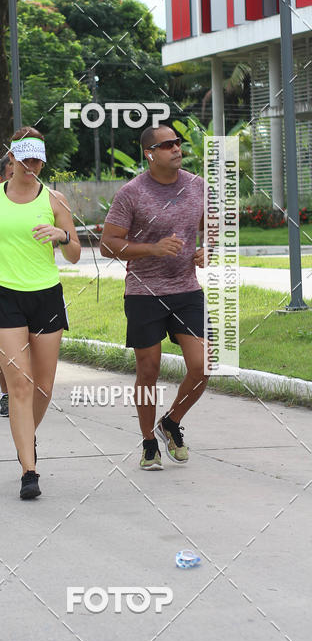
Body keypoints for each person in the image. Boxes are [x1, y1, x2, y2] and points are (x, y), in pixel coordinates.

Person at [0, 127, 81, 500]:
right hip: (2, 295)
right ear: (11, 160)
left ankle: (26, 433)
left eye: (38, 160)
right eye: (25, 159)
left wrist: (62, 236)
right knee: (19, 384)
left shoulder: (55, 200)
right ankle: (28, 470)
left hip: (46, 296)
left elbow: (76, 251)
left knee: (43, 386)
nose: (31, 166)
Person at [100, 125, 209, 471]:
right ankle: (149, 441)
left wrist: (207, 249)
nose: (176, 148)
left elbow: (213, 226)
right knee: (148, 370)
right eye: (167, 145)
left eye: (177, 143)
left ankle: (171, 422)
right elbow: (107, 245)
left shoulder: (196, 185)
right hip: (144, 293)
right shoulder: (132, 193)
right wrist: (152, 249)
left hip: (186, 290)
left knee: (203, 365)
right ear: (150, 154)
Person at [0, 155, 14, 417]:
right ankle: (7, 393)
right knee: (3, 350)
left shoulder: (45, 200)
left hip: (38, 287)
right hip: (1, 287)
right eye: (11, 173)